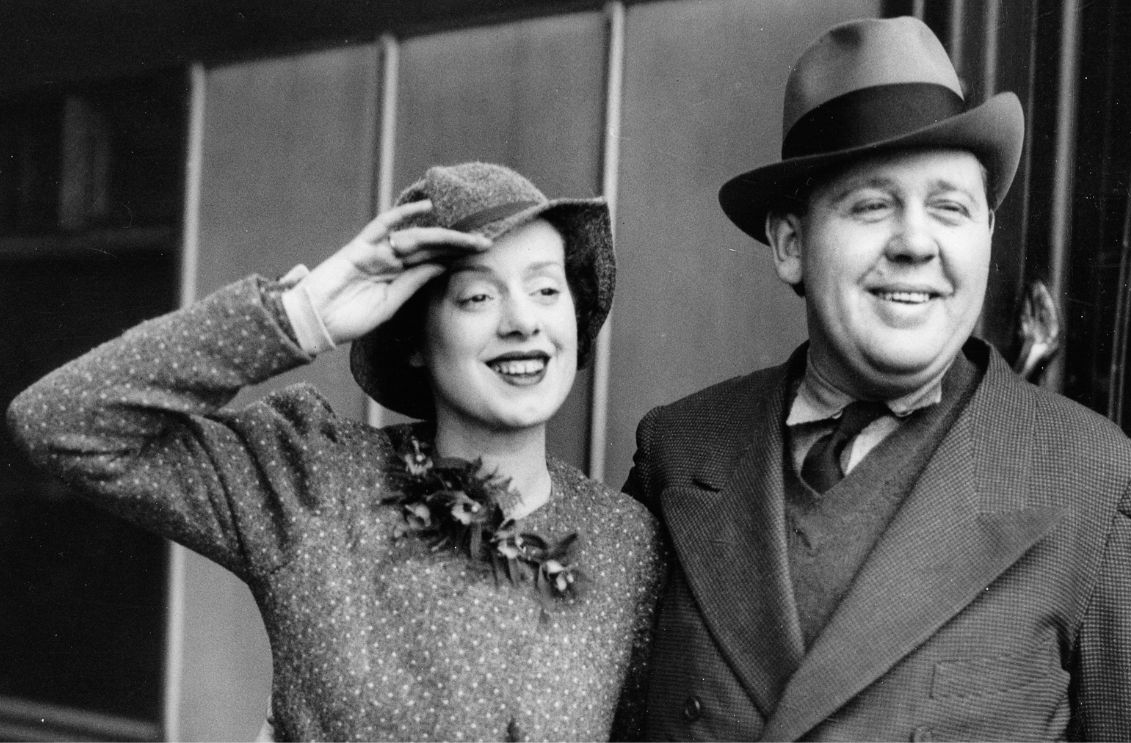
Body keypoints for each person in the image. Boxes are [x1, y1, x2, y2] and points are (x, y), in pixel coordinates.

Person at [623, 16, 1131, 741]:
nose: (913, 242)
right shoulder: (679, 456)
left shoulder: (1102, 490)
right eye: (871, 205)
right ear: (789, 243)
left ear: (987, 236)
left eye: (949, 208)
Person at [8, 162, 665, 741]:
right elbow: (58, 423)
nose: (522, 318)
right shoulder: (312, 479)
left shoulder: (625, 540)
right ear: (412, 337)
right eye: (476, 295)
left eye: (546, 288)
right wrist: (301, 313)